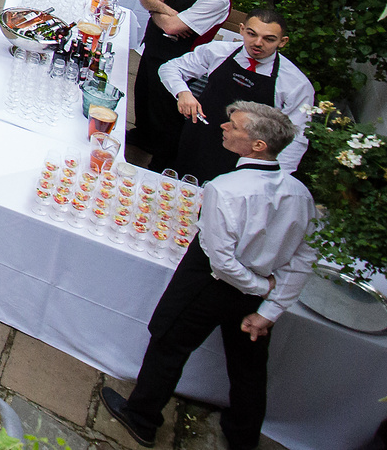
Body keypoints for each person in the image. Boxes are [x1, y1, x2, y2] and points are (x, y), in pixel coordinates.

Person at [100, 103, 314, 450]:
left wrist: (260, 290)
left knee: (168, 343)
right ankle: (243, 437)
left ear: (258, 145)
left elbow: (221, 261)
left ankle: (142, 417)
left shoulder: (225, 189)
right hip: (255, 293)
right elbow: (303, 258)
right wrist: (267, 308)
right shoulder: (300, 194)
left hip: (209, 284)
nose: (224, 128)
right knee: (249, 368)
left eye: (235, 126)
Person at [159, 7, 312, 183]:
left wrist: (273, 179)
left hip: (245, 157)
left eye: (269, 39)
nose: (258, 43)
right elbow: (170, 68)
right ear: (241, 29)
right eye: (252, 34)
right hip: (199, 137)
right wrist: (183, 92)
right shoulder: (218, 51)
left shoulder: (296, 83)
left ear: (283, 41)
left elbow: (297, 137)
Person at [128, 0, 234, 169]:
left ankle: (161, 160)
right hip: (154, 47)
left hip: (178, 59)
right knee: (144, 95)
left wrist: (157, 9)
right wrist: (165, 9)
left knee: (165, 111)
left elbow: (171, 27)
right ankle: (143, 137)